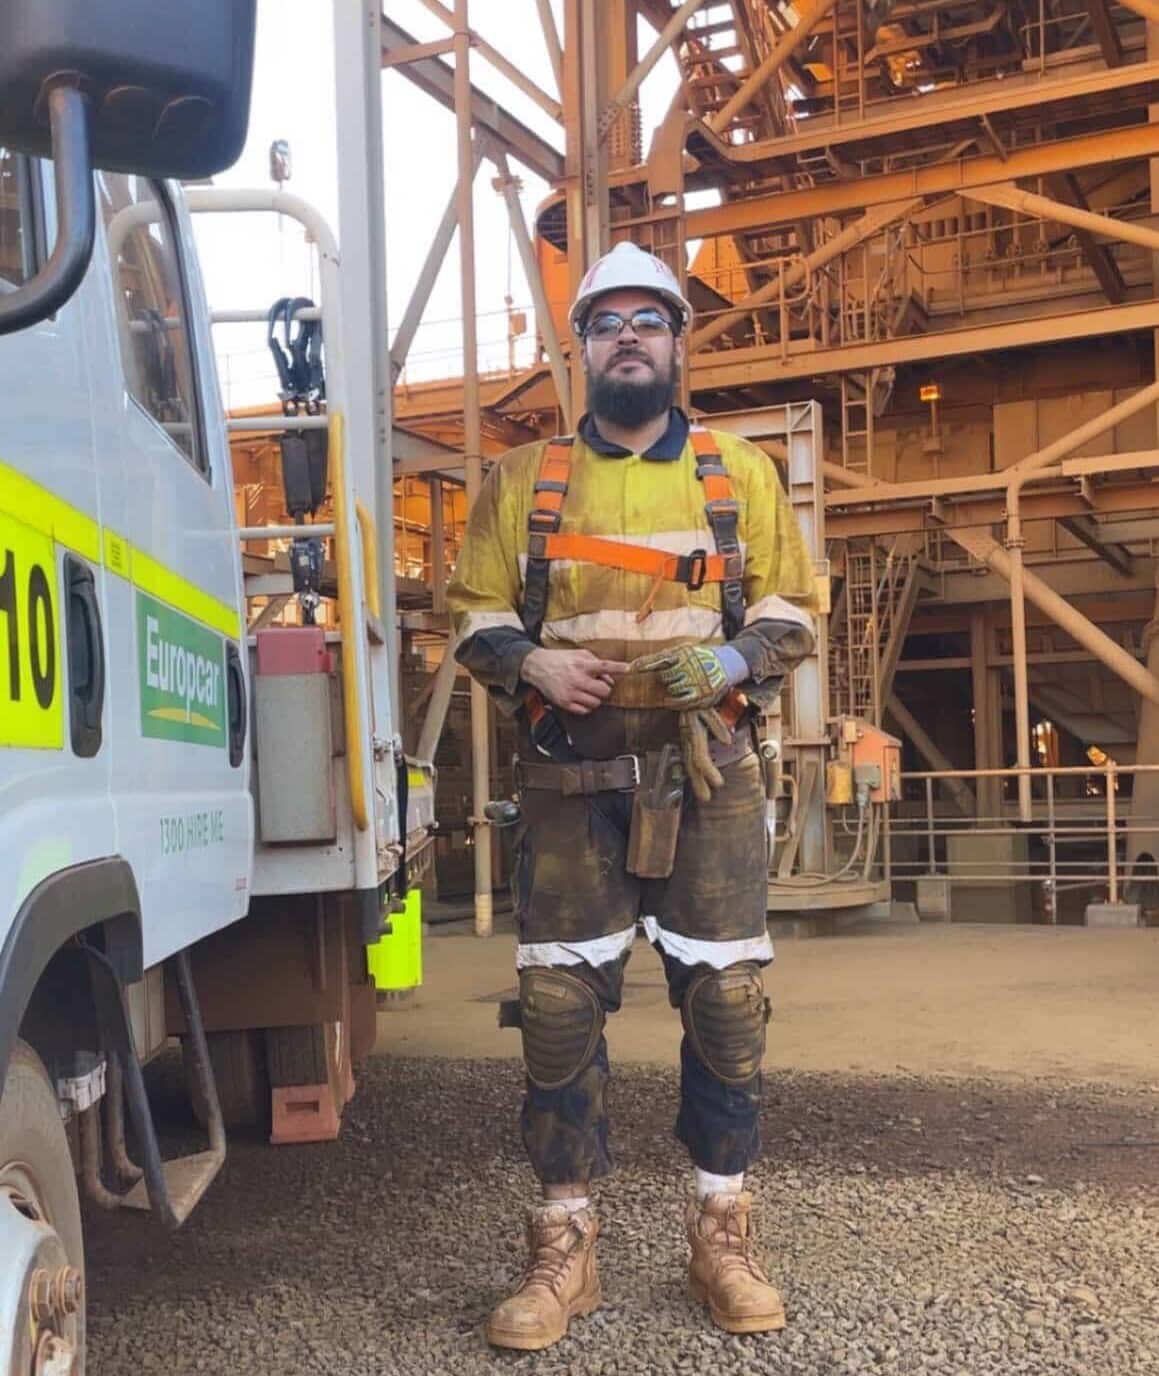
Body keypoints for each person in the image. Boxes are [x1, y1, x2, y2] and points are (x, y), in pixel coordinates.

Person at [446, 241, 818, 1351]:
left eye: (645, 320)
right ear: (582, 350)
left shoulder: (736, 472)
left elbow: (795, 604)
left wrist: (738, 660)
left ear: (674, 343)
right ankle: (566, 1244)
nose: (626, 337)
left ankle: (721, 1230)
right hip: (570, 784)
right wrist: (533, 664)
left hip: (706, 776)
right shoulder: (524, 483)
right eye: (605, 322)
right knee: (558, 1014)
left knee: (726, 1008)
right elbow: (470, 613)